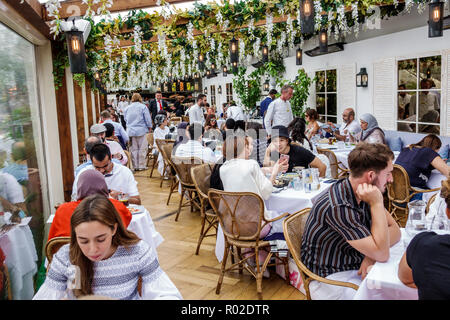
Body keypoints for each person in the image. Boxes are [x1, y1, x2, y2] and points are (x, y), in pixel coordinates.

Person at [301, 143, 401, 300]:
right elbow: (383, 253)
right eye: (388, 173)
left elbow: (395, 229)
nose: (391, 179)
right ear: (370, 176)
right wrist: (377, 203)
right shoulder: (339, 206)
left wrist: (370, 255)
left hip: (354, 263)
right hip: (331, 280)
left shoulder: (361, 191)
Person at [34, 194, 182, 300]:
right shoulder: (66, 256)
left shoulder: (137, 252)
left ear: (114, 229)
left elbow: (167, 294)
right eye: (83, 241)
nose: (92, 249)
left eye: (100, 239)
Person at [220, 134, 288, 275]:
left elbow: (241, 175)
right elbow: (266, 192)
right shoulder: (251, 164)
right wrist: (274, 171)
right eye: (247, 146)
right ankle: (270, 261)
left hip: (233, 226)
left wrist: (267, 170)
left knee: (251, 218)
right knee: (285, 218)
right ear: (243, 148)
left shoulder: (223, 169)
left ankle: (253, 259)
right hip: (256, 228)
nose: (249, 149)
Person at [48, 170, 132, 240]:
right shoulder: (116, 206)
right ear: (104, 187)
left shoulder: (63, 209)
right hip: (108, 257)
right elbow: (126, 222)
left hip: (69, 257)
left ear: (79, 188)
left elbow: (52, 242)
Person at [72, 144, 141, 205]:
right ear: (91, 161)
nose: (102, 171)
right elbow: (75, 201)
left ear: (111, 157)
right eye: (97, 167)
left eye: (105, 166)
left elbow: (138, 201)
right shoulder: (84, 174)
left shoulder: (124, 172)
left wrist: (120, 196)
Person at [125, 93, 153, 171]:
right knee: (142, 148)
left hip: (131, 130)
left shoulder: (127, 108)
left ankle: (134, 165)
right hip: (141, 130)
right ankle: (141, 165)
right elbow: (147, 119)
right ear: (140, 98)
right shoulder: (143, 107)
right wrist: (149, 126)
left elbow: (125, 119)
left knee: (133, 149)